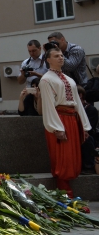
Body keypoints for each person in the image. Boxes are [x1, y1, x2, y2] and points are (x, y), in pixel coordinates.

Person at [38, 44, 92, 197]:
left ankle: (68, 193)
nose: (60, 57)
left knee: (73, 155)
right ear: (48, 60)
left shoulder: (69, 79)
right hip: (59, 120)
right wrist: (56, 127)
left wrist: (84, 126)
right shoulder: (46, 80)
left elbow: (77, 104)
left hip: (72, 120)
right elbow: (48, 105)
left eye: (61, 55)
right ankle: (65, 193)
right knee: (63, 157)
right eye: (56, 56)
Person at [77, 86, 99, 175]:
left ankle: (89, 166)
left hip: (89, 136)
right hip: (75, 133)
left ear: (80, 95)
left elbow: (90, 128)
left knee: (87, 139)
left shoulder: (90, 109)